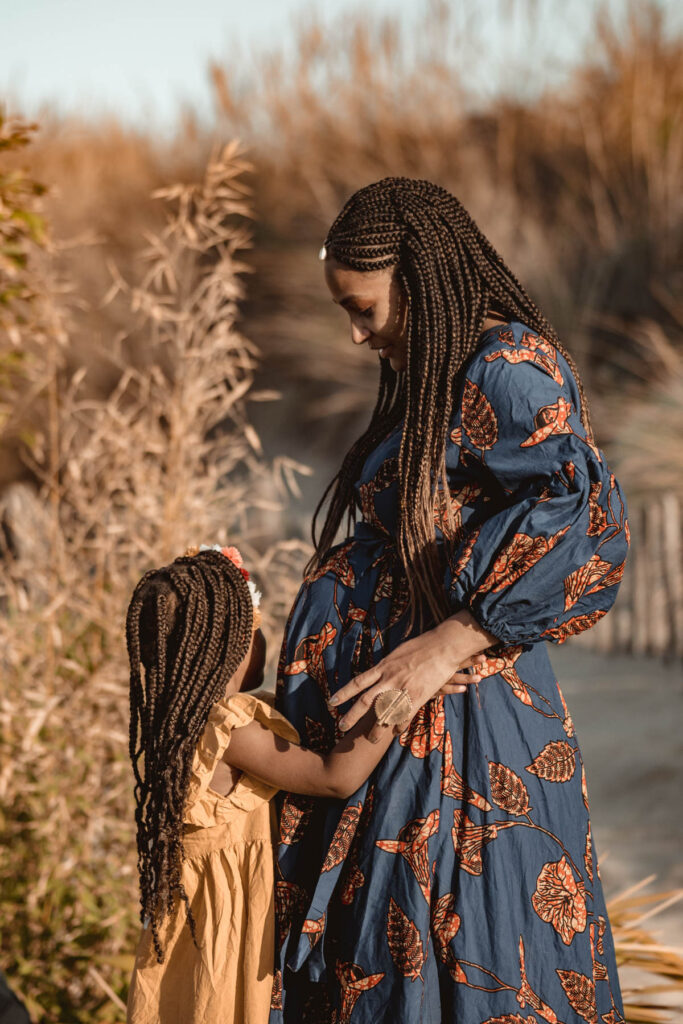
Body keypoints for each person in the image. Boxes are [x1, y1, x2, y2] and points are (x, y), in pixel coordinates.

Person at [271, 177, 630, 1023]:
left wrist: (450, 641)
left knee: (458, 955)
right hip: (409, 727)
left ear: (421, 282)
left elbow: (585, 519)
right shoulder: (445, 370)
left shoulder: (505, 367)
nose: (355, 335)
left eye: (363, 309)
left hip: (459, 738)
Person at [124, 544, 481, 1024]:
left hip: (197, 938)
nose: (265, 639)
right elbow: (336, 777)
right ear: (227, 646)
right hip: (228, 946)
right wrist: (402, 694)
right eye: (253, 630)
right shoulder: (228, 727)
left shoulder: (181, 723)